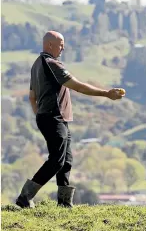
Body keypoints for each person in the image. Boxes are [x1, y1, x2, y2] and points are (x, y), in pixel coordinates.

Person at [15, 30, 125, 209]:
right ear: (50, 45)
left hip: (51, 117)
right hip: (53, 117)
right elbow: (78, 86)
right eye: (61, 45)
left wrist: (39, 116)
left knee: (66, 160)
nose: (63, 48)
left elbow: (31, 97)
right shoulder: (51, 63)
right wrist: (106, 93)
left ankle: (64, 202)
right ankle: (25, 196)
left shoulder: (36, 65)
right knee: (57, 160)